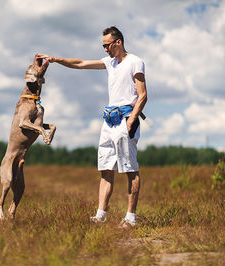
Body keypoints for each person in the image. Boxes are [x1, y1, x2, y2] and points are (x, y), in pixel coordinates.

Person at [37, 26, 147, 228]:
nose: (104, 49)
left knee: (130, 168)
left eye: (107, 45)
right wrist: (55, 59)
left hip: (125, 119)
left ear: (118, 42)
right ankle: (100, 215)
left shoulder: (135, 62)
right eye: (103, 45)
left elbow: (143, 95)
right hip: (109, 120)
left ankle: (130, 218)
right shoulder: (109, 62)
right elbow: (80, 63)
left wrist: (131, 120)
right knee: (106, 169)